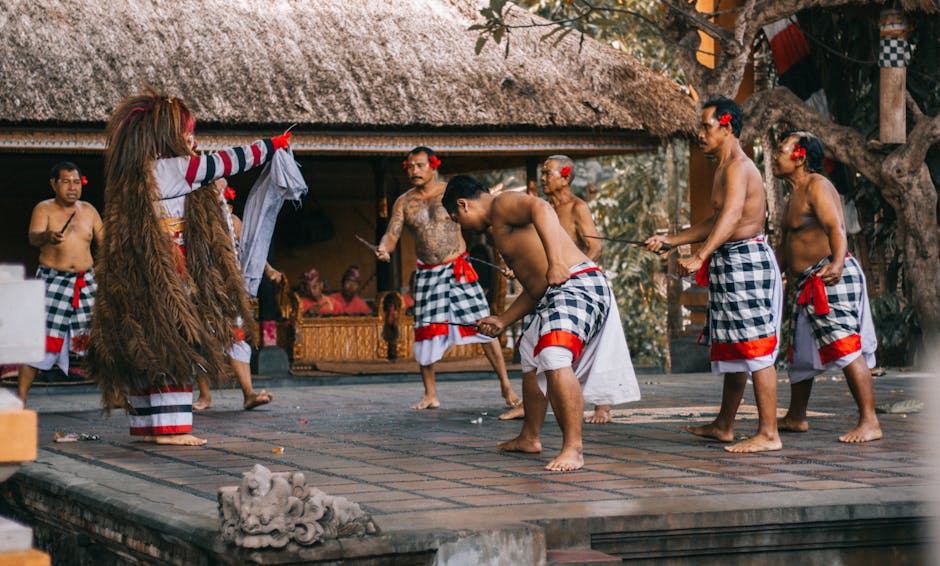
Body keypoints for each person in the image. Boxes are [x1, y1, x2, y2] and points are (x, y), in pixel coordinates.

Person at [89, 89, 291, 446]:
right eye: (186, 131)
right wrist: (273, 143)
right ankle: (172, 430)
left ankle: (147, 426)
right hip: (170, 269)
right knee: (175, 341)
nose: (191, 138)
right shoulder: (179, 168)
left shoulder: (135, 171)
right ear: (170, 134)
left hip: (138, 269)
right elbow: (231, 161)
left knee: (145, 341)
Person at [443, 175, 639, 471]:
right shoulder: (499, 229)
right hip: (552, 292)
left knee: (554, 353)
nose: (460, 226)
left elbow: (541, 209)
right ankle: (529, 437)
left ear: (463, 205)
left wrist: (556, 260)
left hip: (578, 283)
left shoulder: (502, 203)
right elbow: (536, 289)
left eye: (455, 219)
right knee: (531, 352)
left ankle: (573, 448)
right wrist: (504, 320)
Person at [646, 96, 783, 453]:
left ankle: (769, 434)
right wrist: (672, 241)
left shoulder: (739, 166)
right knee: (737, 348)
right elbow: (715, 219)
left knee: (755, 347)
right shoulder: (723, 167)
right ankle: (724, 425)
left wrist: (700, 255)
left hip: (746, 262)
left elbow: (734, 215)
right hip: (729, 262)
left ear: (726, 127)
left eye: (706, 127)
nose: (700, 134)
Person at [375, 147, 520, 410]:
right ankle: (430, 393)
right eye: (409, 167)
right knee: (426, 329)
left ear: (433, 165)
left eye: (419, 165)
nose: (414, 171)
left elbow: (490, 224)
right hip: (427, 273)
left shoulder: (450, 194)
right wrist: (385, 247)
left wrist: (509, 261)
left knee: (484, 323)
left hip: (458, 267)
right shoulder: (404, 202)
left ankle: (506, 386)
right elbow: (392, 233)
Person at [772, 131, 882, 443]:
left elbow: (837, 226)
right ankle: (796, 416)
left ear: (800, 157)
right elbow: (786, 245)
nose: (776, 156)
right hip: (807, 281)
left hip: (830, 275)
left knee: (845, 347)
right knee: (802, 352)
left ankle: (870, 421)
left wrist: (836, 263)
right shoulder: (793, 194)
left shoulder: (817, 186)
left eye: (782, 150)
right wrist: (771, 274)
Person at [500, 156, 612, 424]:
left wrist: (568, 272)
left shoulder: (578, 207)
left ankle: (602, 405)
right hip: (547, 285)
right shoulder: (541, 208)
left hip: (578, 284)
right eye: (542, 173)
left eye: (548, 173)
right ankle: (532, 406)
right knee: (534, 344)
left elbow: (595, 247)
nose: (543, 178)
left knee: (589, 347)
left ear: (565, 176)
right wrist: (521, 269)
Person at [17, 162, 103, 404]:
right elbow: (33, 238)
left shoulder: (89, 210)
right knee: (39, 339)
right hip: (53, 282)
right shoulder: (43, 209)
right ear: (54, 184)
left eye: (76, 182)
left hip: (85, 282)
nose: (72, 187)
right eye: (66, 182)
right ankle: (21, 398)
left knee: (98, 339)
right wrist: (47, 236)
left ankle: (114, 395)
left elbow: (105, 242)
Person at [193, 179, 275, 412]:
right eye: (213, 189)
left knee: (237, 338)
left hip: (230, 292)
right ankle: (205, 395)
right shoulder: (196, 220)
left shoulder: (234, 222)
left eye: (220, 189)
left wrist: (268, 269)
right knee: (200, 340)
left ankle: (248, 393)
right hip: (203, 289)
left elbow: (251, 250)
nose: (218, 193)